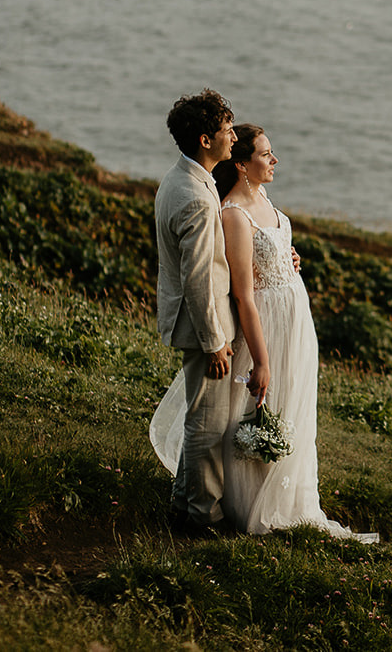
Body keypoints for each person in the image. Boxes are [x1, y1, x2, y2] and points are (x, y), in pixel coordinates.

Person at [152, 123, 378, 542]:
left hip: (294, 321)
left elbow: (270, 247)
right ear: (241, 165)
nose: (274, 161)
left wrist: (287, 257)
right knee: (245, 411)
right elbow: (244, 295)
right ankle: (239, 504)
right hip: (265, 327)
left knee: (291, 407)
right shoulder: (231, 214)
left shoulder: (263, 197)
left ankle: (289, 496)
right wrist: (263, 359)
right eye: (266, 154)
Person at [151, 89, 238, 536]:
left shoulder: (178, 178)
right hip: (202, 323)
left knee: (199, 417)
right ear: (205, 140)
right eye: (227, 130)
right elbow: (200, 277)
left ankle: (183, 503)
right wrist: (215, 341)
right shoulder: (198, 199)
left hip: (188, 317)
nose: (234, 137)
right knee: (209, 425)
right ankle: (203, 517)